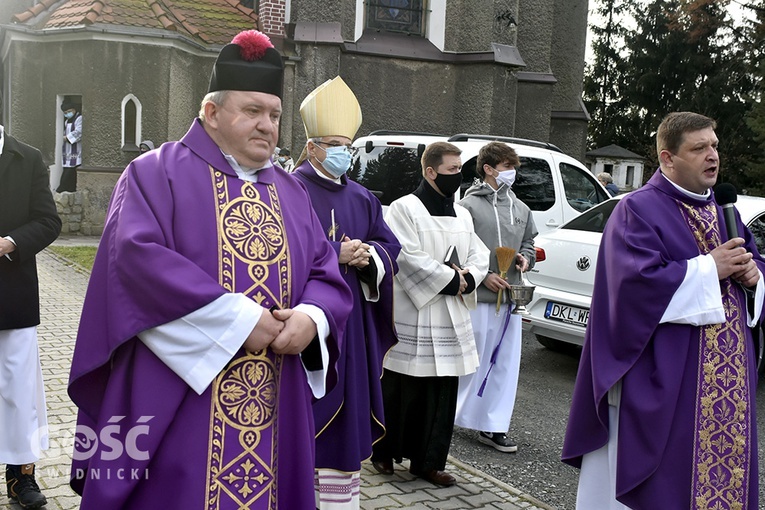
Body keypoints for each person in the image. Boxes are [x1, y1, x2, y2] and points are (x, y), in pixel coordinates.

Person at [68, 30, 353, 509]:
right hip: (177, 395)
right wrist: (240, 321)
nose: (267, 125)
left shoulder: (293, 191)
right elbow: (136, 261)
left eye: (275, 114)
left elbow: (325, 270)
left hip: (277, 396)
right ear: (211, 112)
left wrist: (312, 319)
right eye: (252, 111)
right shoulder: (154, 173)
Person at [562, 112, 764, 509]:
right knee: (664, 484)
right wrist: (710, 268)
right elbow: (632, 288)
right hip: (669, 375)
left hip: (729, 383)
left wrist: (755, 277)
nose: (713, 156)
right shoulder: (637, 210)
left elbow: (753, 263)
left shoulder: (727, 212)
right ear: (668, 158)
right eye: (699, 148)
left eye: (715, 146)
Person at [291, 76, 401, 510]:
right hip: (306, 324)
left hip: (352, 326)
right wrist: (333, 253)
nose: (343, 152)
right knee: (307, 413)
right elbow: (278, 249)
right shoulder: (289, 189)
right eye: (334, 143)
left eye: (347, 145)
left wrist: (368, 255)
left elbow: (390, 246)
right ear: (312, 146)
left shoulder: (362, 197)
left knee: (345, 412)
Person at [371, 141, 489, 487]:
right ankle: (384, 452)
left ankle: (428, 462)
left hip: (450, 316)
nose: (459, 175)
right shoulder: (404, 209)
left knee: (441, 391)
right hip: (416, 313)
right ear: (430, 171)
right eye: (453, 169)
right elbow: (405, 256)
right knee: (402, 387)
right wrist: (453, 280)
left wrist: (469, 277)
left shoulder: (463, 213)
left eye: (459, 169)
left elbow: (479, 254)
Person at [454, 141, 537, 453]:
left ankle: (493, 425)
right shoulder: (468, 207)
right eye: (505, 167)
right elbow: (457, 251)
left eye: (513, 167)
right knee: (469, 361)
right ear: (488, 169)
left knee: (503, 364)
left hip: (510, 300)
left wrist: (526, 258)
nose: (511, 173)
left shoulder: (521, 208)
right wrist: (481, 275)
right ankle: (453, 413)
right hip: (478, 299)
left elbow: (529, 241)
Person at [0, 126, 62, 509]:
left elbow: (48, 221)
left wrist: (10, 242)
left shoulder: (29, 157)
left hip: (12, 295)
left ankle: (21, 478)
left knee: (18, 392)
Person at [57, 101, 82, 192]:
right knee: (67, 168)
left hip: (76, 150)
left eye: (69, 111)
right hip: (67, 150)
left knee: (70, 171)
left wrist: (67, 138)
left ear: (74, 110)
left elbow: (79, 132)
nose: (67, 114)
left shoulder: (80, 119)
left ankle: (62, 189)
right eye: (65, 113)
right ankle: (67, 190)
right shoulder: (67, 121)